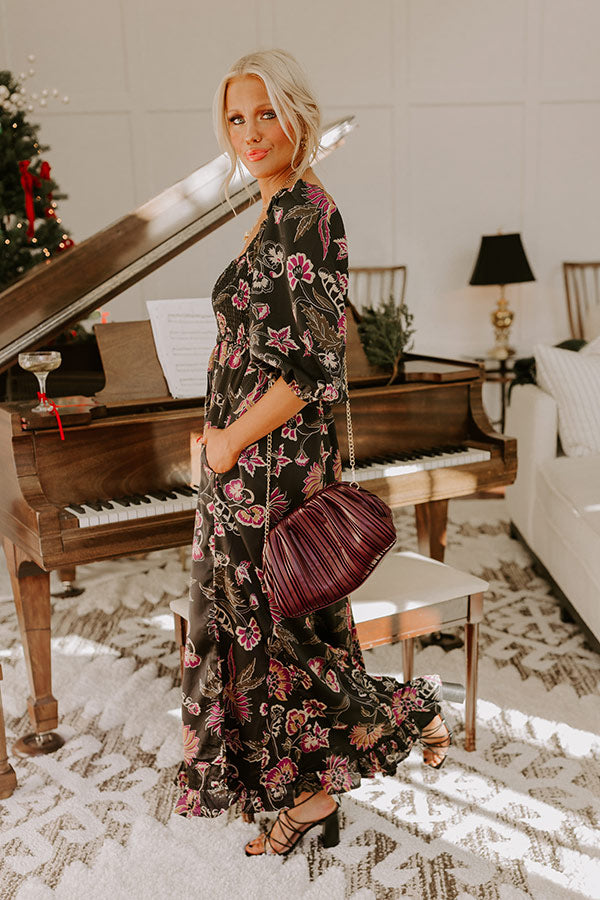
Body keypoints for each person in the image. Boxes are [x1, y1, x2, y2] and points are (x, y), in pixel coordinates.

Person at [175, 48, 451, 856]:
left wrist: (230, 437)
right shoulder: (272, 211)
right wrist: (216, 434)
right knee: (256, 632)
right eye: (237, 118)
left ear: (299, 115)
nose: (251, 131)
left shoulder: (309, 215)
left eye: (266, 113)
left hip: (270, 468)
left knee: (280, 634)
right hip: (240, 466)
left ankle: (395, 722)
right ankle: (302, 792)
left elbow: (312, 371)